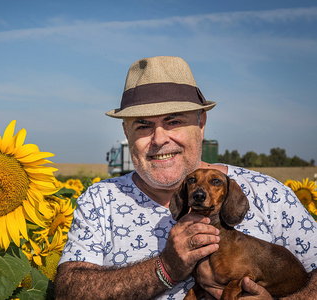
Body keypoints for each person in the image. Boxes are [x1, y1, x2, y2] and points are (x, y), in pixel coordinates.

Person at [54, 56, 317, 299]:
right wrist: (166, 268)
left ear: (201, 124)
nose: (159, 139)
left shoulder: (267, 193)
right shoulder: (101, 199)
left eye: (174, 121)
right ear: (126, 131)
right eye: (143, 125)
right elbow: (68, 291)